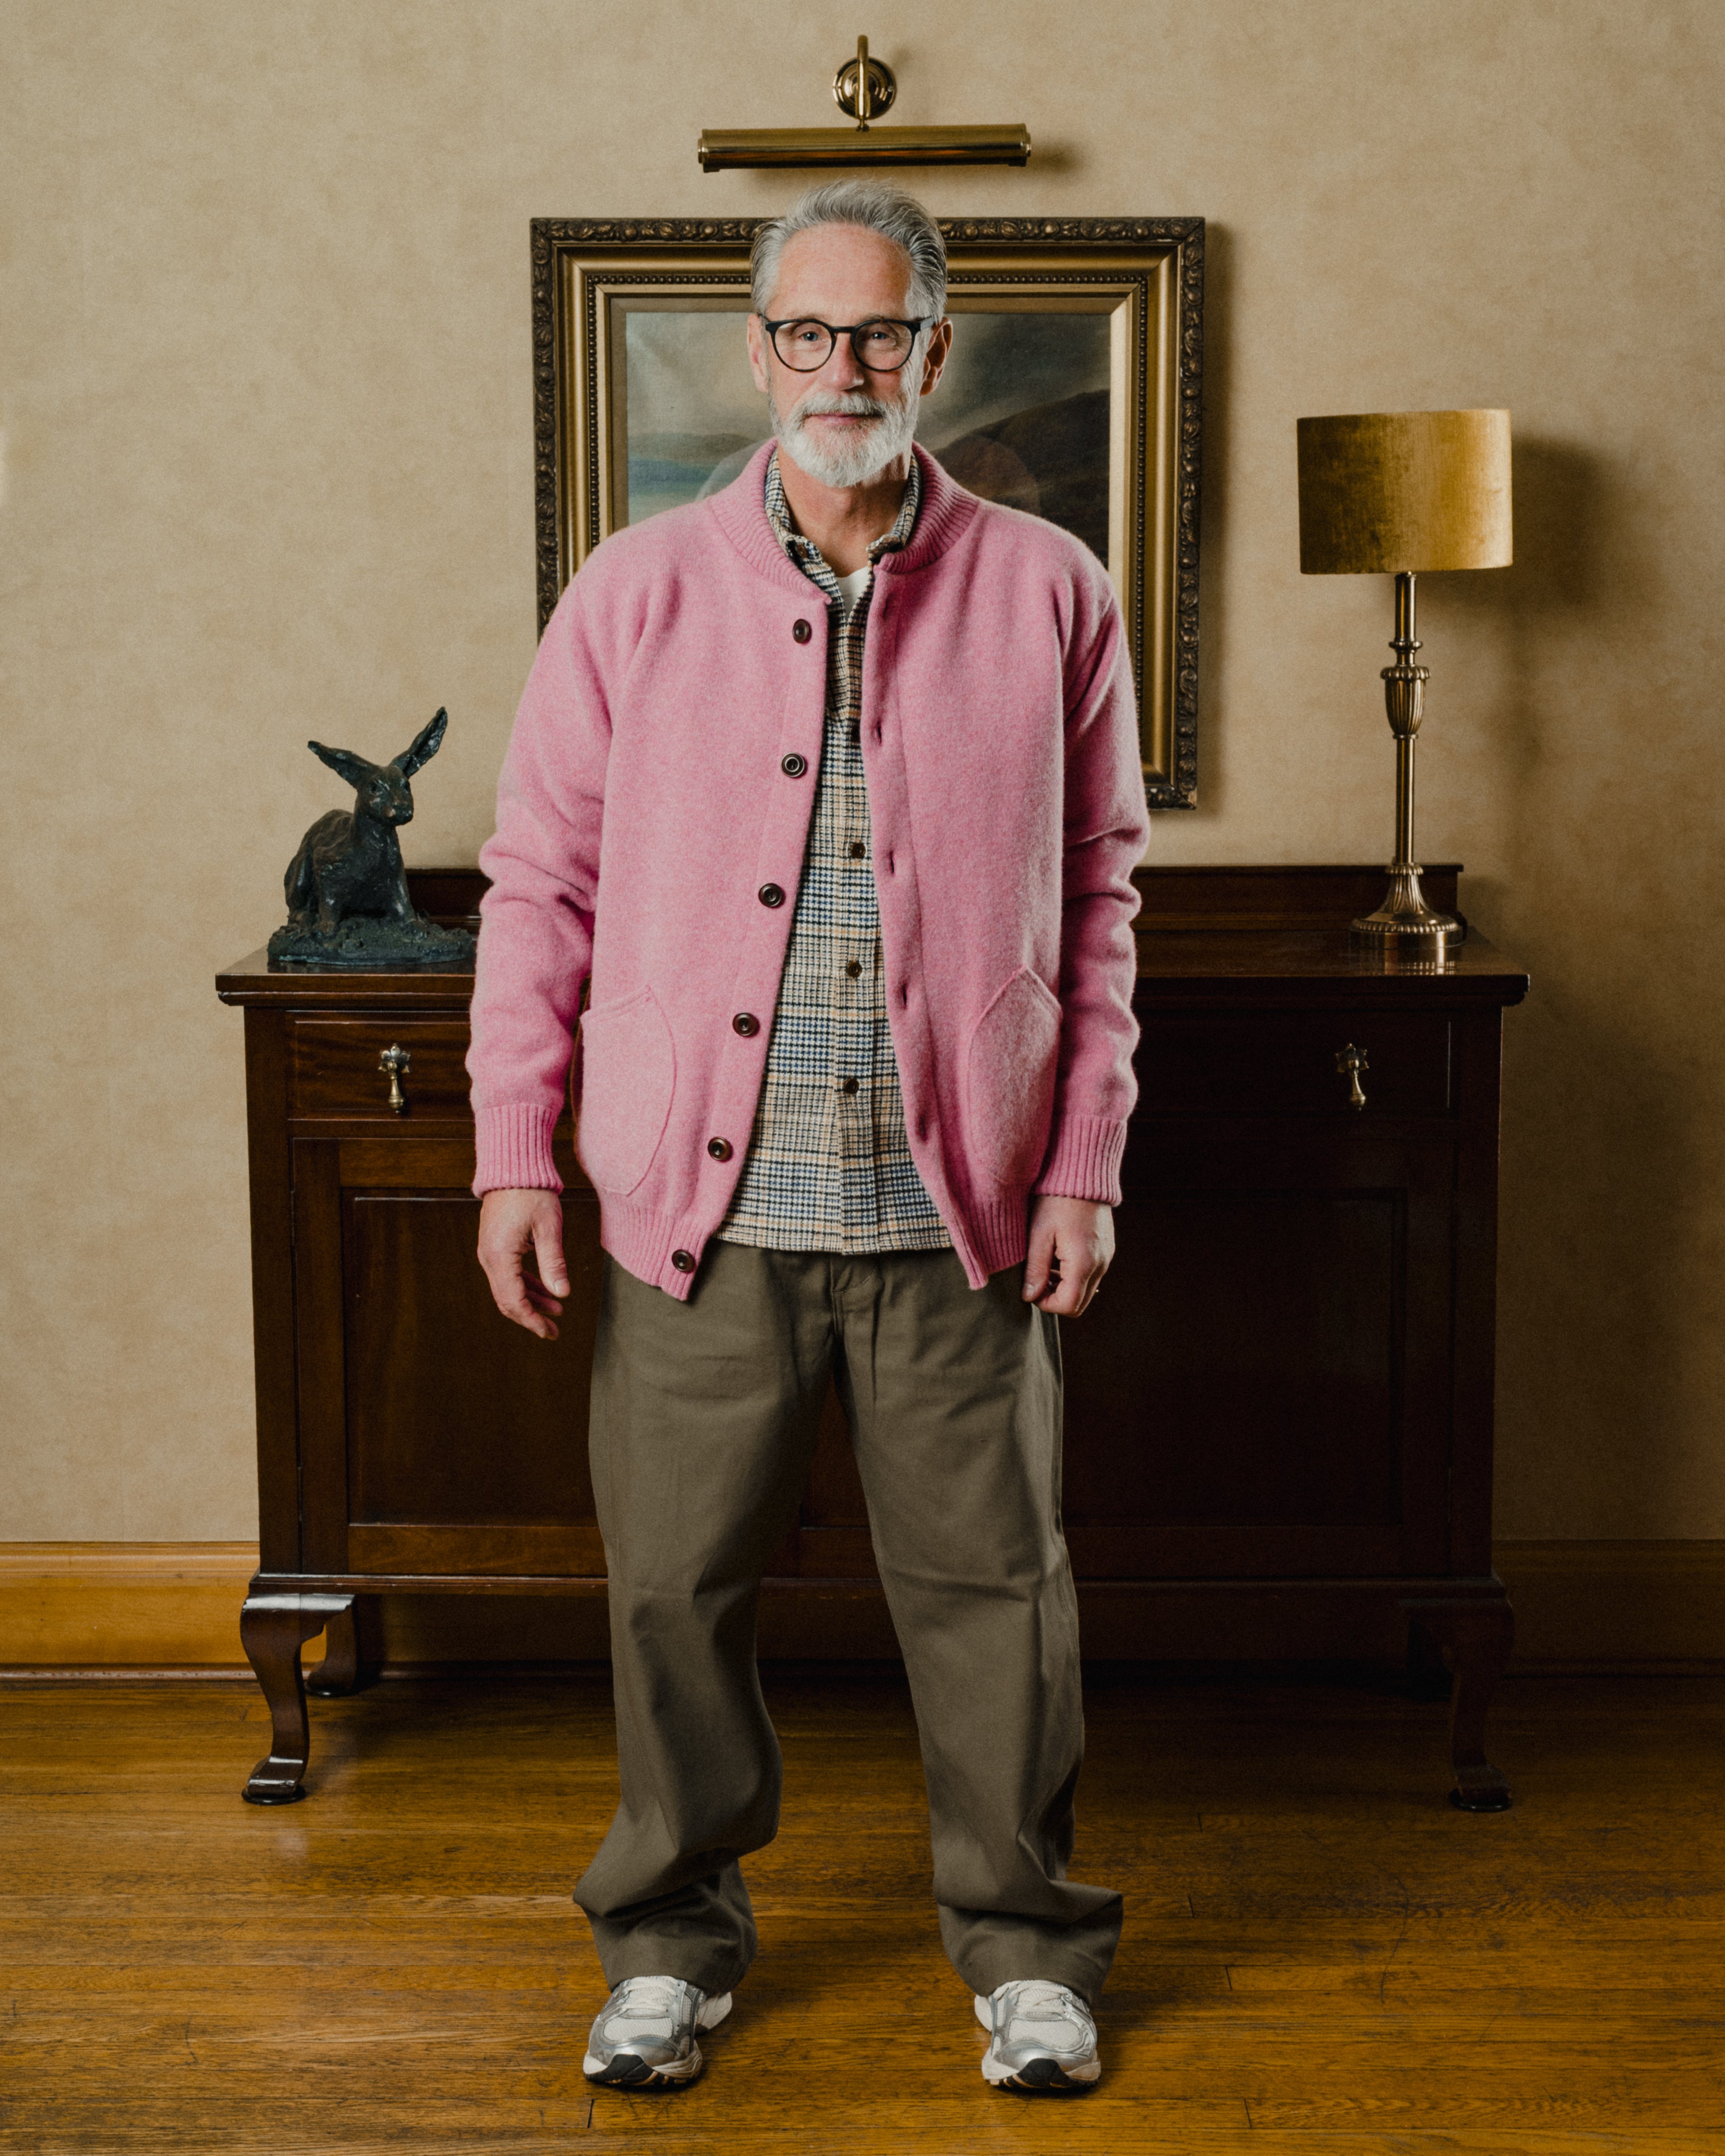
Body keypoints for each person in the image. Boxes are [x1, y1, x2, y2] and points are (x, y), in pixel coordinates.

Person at [468, 180, 1149, 2094]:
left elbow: (1100, 892)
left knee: (999, 1598)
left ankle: (1027, 1947)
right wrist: (518, 1145)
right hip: (705, 1208)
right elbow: (538, 885)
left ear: (934, 351)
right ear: (757, 348)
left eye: (880, 334)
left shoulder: (1051, 591)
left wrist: (1084, 1152)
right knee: (672, 1591)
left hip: (964, 1207)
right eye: (806, 333)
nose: (843, 369)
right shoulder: (634, 591)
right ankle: (670, 1941)